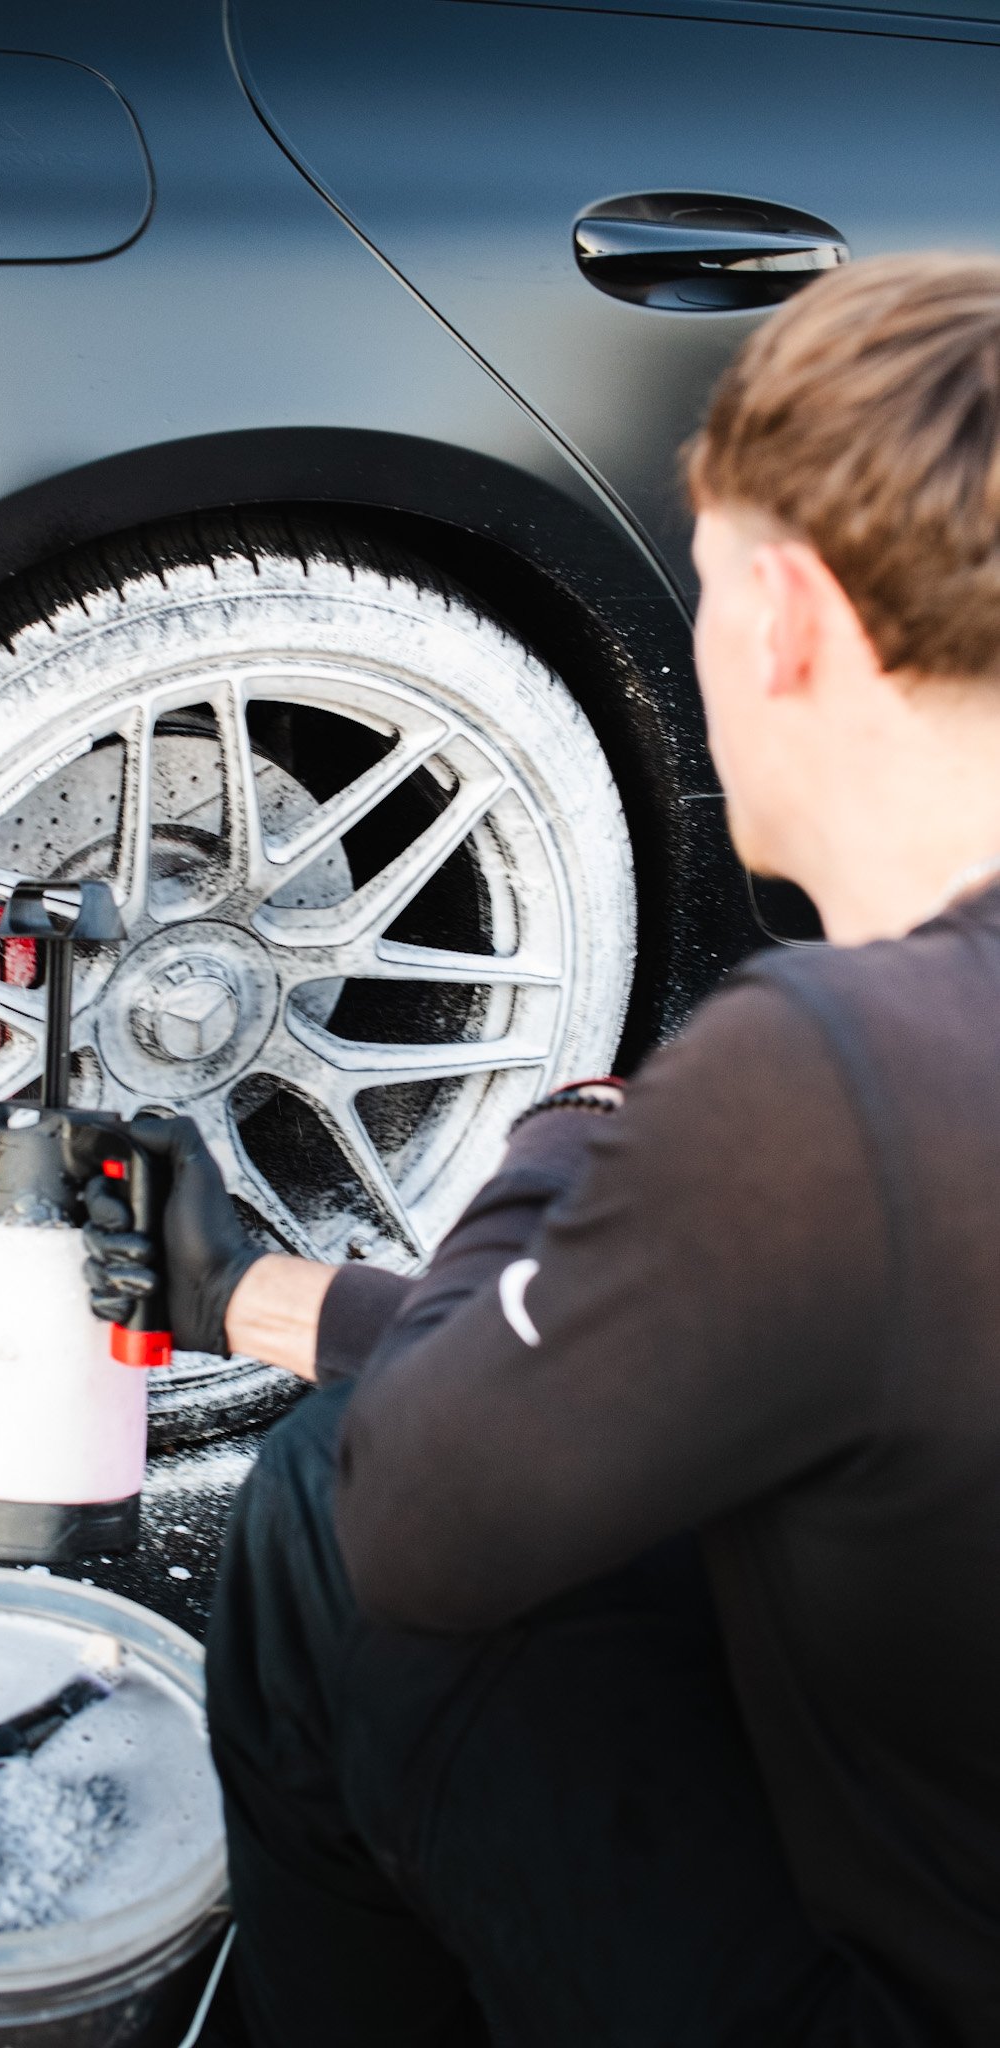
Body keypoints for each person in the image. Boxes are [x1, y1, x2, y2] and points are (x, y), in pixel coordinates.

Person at [77, 254, 1000, 2046]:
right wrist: (249, 1293)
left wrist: (582, 1133)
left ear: (787, 616)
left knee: (320, 1527)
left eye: (709, 585)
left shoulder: (835, 1071)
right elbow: (728, 1334)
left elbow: (423, 1516)